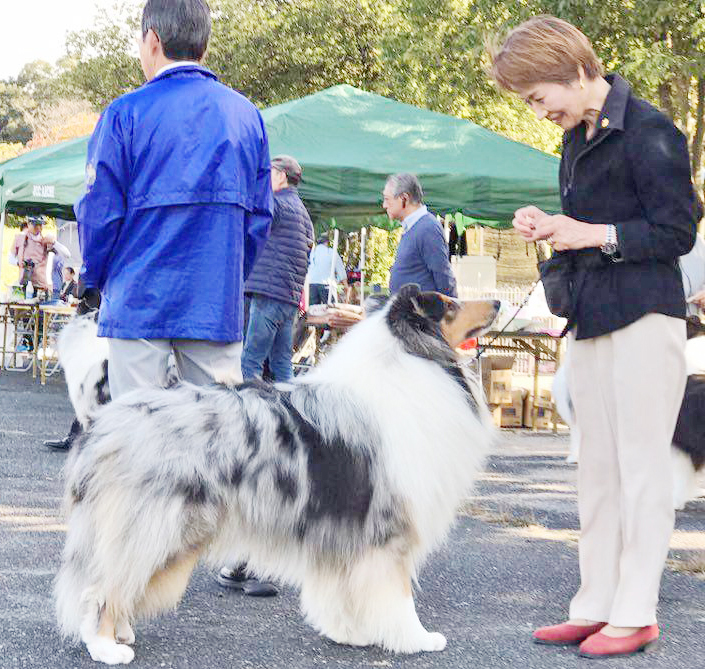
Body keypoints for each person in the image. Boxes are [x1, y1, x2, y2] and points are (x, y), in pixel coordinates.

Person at [489, 16, 697, 658]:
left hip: (645, 318)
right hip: (591, 318)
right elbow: (589, 224)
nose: (537, 109)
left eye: (535, 95)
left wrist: (591, 234)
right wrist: (551, 225)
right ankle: (596, 605)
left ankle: (636, 612)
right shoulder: (576, 137)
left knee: (640, 471)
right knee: (597, 474)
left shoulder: (653, 131)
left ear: (573, 69)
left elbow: (677, 232)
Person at [75, 0, 272, 400]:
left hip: (137, 297)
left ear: (152, 40)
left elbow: (100, 212)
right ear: (205, 45)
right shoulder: (247, 116)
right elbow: (259, 219)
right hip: (213, 298)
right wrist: (231, 274)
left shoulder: (124, 114)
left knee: (138, 429)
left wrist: (92, 278)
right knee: (217, 435)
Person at [240, 154, 314, 382]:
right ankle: (292, 413)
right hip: (289, 298)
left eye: (269, 173)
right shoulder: (303, 212)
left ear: (281, 176)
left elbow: (249, 232)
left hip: (268, 293)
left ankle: (245, 413)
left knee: (250, 361)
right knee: (281, 363)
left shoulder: (275, 203)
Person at [384, 173, 457, 297]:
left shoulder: (427, 228)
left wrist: (453, 313)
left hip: (422, 315)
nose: (384, 205)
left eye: (387, 199)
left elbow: (443, 277)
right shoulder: (414, 227)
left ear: (404, 199)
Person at [16, 217, 70, 299]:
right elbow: (11, 258)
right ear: (29, 225)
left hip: (42, 287)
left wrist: (54, 242)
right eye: (35, 225)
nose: (38, 228)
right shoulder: (22, 240)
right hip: (24, 285)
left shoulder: (44, 242)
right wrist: (21, 263)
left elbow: (67, 255)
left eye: (40, 225)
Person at [307, 233, 347, 305]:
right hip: (327, 284)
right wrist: (345, 285)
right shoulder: (331, 252)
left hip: (312, 284)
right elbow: (340, 270)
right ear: (327, 242)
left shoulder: (312, 253)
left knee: (313, 311)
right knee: (331, 311)